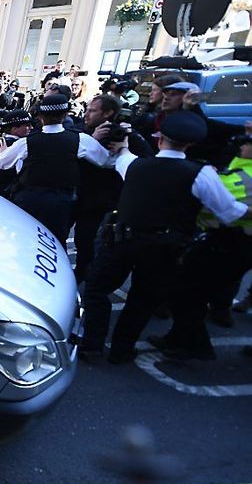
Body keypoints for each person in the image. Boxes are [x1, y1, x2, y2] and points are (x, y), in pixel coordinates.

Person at [80, 112, 252, 364]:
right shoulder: (201, 173)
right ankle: (121, 349)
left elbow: (122, 158)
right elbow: (228, 212)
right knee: (142, 298)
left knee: (96, 290)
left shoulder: (135, 165)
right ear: (190, 144)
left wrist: (124, 143)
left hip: (122, 241)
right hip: (165, 247)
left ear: (160, 139)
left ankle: (92, 345)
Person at [150, 134, 252, 360]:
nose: (243, 144)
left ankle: (196, 346)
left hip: (233, 243)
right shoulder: (239, 167)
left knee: (187, 293)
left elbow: (222, 205)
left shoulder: (246, 174)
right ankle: (177, 339)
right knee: (187, 288)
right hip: (220, 239)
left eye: (249, 142)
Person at [0, 94, 110, 247]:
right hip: (60, 203)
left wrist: (2, 153)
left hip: (28, 200)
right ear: (64, 115)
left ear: (40, 117)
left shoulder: (27, 142)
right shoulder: (80, 139)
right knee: (54, 245)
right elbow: (106, 161)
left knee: (24, 243)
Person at [73, 95, 154, 280]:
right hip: (84, 200)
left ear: (108, 113)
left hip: (110, 203)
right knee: (83, 241)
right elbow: (69, 151)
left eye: (92, 111)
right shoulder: (83, 131)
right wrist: (90, 137)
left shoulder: (127, 136)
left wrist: (125, 147)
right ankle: (81, 272)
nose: (87, 114)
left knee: (101, 246)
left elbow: (147, 162)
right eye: (87, 109)